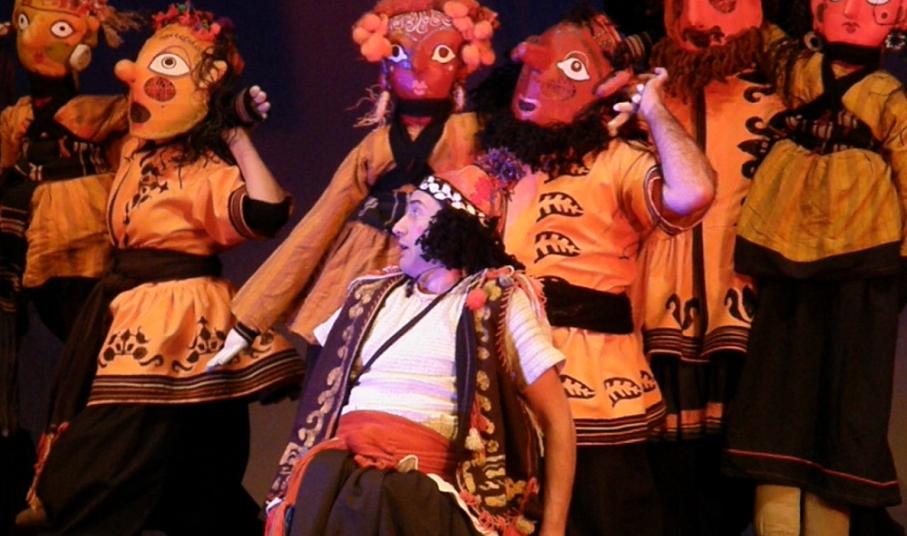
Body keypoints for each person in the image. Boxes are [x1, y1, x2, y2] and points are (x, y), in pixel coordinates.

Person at [15, 4, 305, 534]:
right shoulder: (132, 151)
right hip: (127, 302)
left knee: (136, 460)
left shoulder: (203, 169)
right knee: (191, 474)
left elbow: (264, 213)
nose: (136, 76)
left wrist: (235, 133)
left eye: (166, 67)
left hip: (179, 310)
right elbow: (81, 118)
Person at [474, 6, 716, 535]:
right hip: (506, 380)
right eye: (534, 68)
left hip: (595, 384)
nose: (540, 79)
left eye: (570, 69)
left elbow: (693, 192)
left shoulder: (618, 160)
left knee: (606, 518)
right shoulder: (498, 164)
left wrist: (654, 111)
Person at [253, 161, 575, 536]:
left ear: (454, 224)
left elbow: (557, 421)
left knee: (387, 494)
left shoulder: (496, 302)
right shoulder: (370, 296)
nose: (398, 227)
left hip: (421, 499)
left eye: (417, 212)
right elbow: (323, 386)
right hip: (339, 483)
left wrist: (554, 529)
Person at [209, 0, 499, 365]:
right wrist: (250, 321)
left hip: (441, 261)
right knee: (343, 360)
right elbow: (319, 224)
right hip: (363, 265)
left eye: (441, 53)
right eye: (399, 54)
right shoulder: (375, 147)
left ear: (463, 64)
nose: (417, 67)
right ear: (384, 66)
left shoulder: (471, 134)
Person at [723, 0, 907, 534]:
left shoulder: (890, 98)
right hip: (784, 253)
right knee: (776, 403)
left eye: (873, 2)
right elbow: (757, 28)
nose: (852, 10)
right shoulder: (799, 70)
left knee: (845, 411)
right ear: (815, 12)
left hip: (860, 260)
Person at [632, 1, 787, 533]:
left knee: (742, 478)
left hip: (746, 300)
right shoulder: (647, 87)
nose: (700, 22)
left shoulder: (783, 86)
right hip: (656, 302)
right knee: (664, 484)